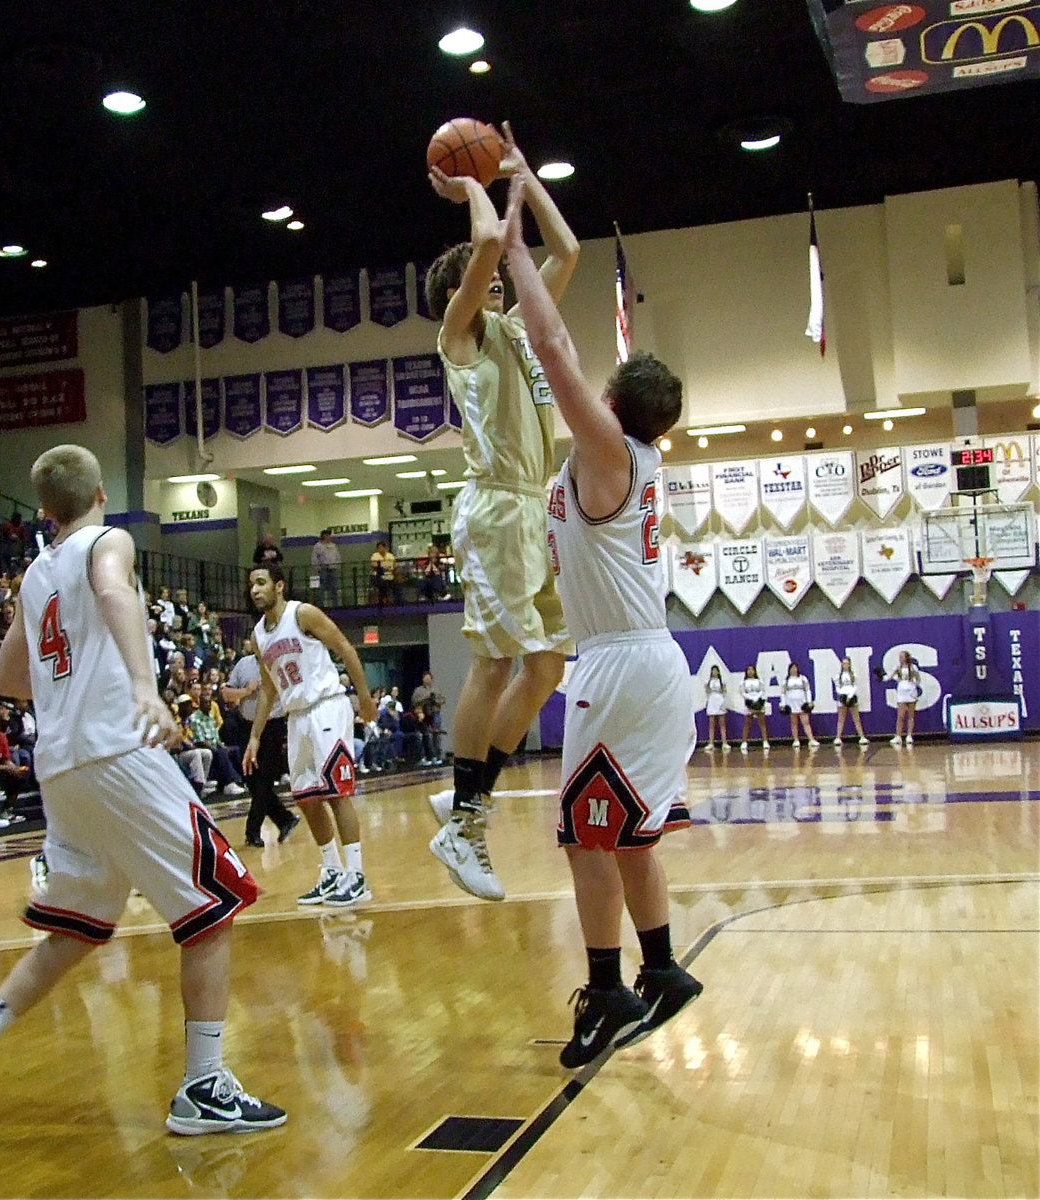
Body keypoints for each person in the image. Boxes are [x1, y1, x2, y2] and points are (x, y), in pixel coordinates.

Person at [0, 444, 284, 1134]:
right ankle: (204, 1086)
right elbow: (116, 591)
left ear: (43, 510)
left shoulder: (33, 574)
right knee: (216, 901)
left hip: (61, 766)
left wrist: (67, 694)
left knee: (75, 928)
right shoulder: (108, 540)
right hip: (117, 750)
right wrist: (144, 691)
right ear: (99, 498)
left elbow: (6, 680)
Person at [502, 169, 703, 1068]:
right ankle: (661, 968)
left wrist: (509, 248)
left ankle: (607, 987)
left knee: (584, 834)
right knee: (628, 833)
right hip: (649, 662)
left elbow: (549, 345)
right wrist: (527, 187)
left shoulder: (608, 452)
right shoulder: (637, 463)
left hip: (620, 664)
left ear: (617, 408)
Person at [424, 123, 578, 901]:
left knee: (547, 665)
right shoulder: (461, 339)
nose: (495, 280)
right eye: (480, 278)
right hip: (492, 508)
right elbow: (488, 238)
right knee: (493, 662)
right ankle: (463, 821)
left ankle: (465, 798)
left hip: (531, 510)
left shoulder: (516, 331)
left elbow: (568, 251)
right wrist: (474, 185)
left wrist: (523, 172)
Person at [245, 564, 377, 907]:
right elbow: (268, 689)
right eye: (251, 585)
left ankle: (357, 876)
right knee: (305, 798)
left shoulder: (302, 613)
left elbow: (345, 647)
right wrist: (255, 736)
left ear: (279, 586)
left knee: (336, 793)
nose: (255, 590)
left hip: (326, 706)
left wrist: (363, 697)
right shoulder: (259, 635)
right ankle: (332, 870)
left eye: (261, 583)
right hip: (296, 716)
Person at [222, 636, 298, 847]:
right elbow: (226, 694)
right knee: (252, 781)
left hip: (272, 726)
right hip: (246, 727)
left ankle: (252, 831)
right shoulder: (243, 664)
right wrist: (246, 691)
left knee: (264, 779)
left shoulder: (278, 663)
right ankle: (285, 819)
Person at [885, 651, 920, 747]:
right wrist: (881, 677)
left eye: (902, 656)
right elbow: (888, 677)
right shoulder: (897, 667)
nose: (900, 658)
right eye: (899, 656)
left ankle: (909, 735)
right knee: (900, 715)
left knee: (911, 715)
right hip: (901, 693)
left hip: (911, 692)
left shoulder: (913, 668)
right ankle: (898, 736)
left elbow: (918, 679)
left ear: (906, 657)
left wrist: (914, 685)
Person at [781, 663, 819, 749]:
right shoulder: (786, 681)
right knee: (794, 722)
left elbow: (807, 690)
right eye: (792, 668)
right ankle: (796, 740)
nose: (794, 670)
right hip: (791, 703)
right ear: (789, 669)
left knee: (806, 722)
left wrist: (809, 701)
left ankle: (811, 739)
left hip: (802, 703)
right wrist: (783, 704)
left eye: (795, 668)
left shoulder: (803, 678)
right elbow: (783, 693)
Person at [833, 658, 869, 747]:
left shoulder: (853, 675)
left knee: (856, 718)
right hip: (842, 698)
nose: (845, 665)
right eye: (844, 663)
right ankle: (838, 737)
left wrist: (850, 696)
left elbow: (855, 686)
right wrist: (843, 696)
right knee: (841, 718)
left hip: (852, 697)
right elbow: (837, 687)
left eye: (847, 663)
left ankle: (861, 736)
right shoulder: (838, 676)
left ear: (849, 664)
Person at [739, 664, 770, 751]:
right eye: (748, 670)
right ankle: (744, 742)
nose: (750, 672)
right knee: (747, 723)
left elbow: (762, 690)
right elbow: (742, 692)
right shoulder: (743, 682)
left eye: (752, 670)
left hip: (758, 703)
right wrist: (750, 699)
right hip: (749, 703)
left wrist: (757, 699)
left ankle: (765, 741)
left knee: (762, 722)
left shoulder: (759, 681)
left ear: (755, 671)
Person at [311, 529, 342, 609]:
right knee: (321, 588)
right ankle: (321, 606)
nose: (329, 537)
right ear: (324, 536)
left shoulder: (333, 546)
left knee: (334, 587)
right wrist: (318, 567)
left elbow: (337, 556)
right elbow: (314, 558)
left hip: (333, 569)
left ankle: (335, 605)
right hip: (323, 570)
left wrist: (336, 564)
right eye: (327, 535)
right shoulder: (318, 546)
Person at [703, 665, 730, 752]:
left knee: (722, 723)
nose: (714, 672)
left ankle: (724, 742)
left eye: (715, 670)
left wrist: (723, 701)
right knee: (711, 723)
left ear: (718, 672)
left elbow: (724, 691)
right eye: (713, 671)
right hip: (712, 701)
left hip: (720, 701)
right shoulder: (708, 681)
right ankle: (711, 743)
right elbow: (707, 691)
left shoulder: (722, 681)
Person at [369, 541, 398, 606]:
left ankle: (390, 600)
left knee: (394, 584)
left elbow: (393, 565)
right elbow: (374, 564)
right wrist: (383, 565)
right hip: (378, 576)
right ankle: (383, 599)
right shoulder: (375, 555)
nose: (380, 549)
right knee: (381, 582)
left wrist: (384, 565)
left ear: (385, 548)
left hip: (389, 575)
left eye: (382, 547)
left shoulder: (390, 555)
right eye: (379, 547)